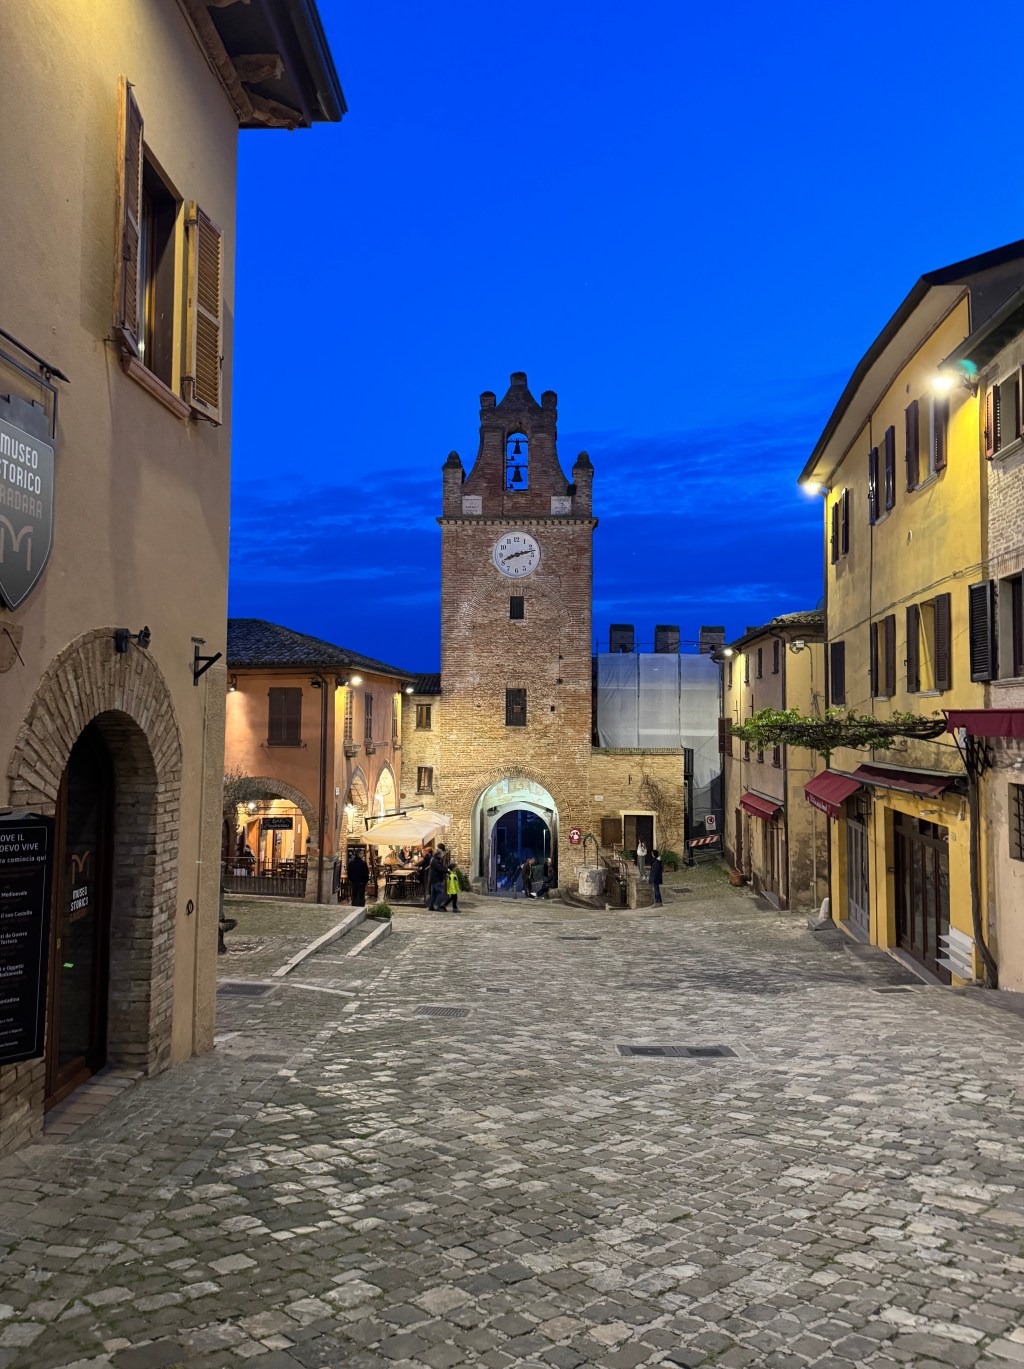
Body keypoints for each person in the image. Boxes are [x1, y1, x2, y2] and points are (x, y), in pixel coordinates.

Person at [427, 843, 449, 910]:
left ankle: (431, 906)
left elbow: (441, 867)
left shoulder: (435, 860)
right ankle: (439, 906)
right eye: (441, 854)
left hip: (435, 878)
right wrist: (447, 871)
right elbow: (440, 868)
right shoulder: (435, 861)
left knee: (434, 894)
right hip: (436, 879)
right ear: (438, 854)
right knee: (441, 893)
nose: (442, 855)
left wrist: (446, 869)